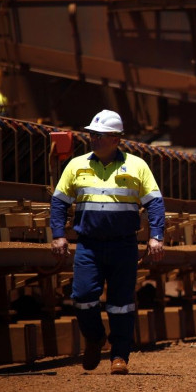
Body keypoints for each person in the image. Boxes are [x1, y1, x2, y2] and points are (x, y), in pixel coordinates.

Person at [50, 109, 165, 375]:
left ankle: (119, 356)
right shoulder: (76, 165)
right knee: (82, 297)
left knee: (121, 302)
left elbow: (155, 204)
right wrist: (58, 235)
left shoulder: (137, 166)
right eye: (92, 134)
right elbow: (58, 202)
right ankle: (94, 337)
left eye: (100, 135)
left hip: (123, 245)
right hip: (88, 245)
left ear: (116, 139)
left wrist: (156, 237)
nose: (94, 139)